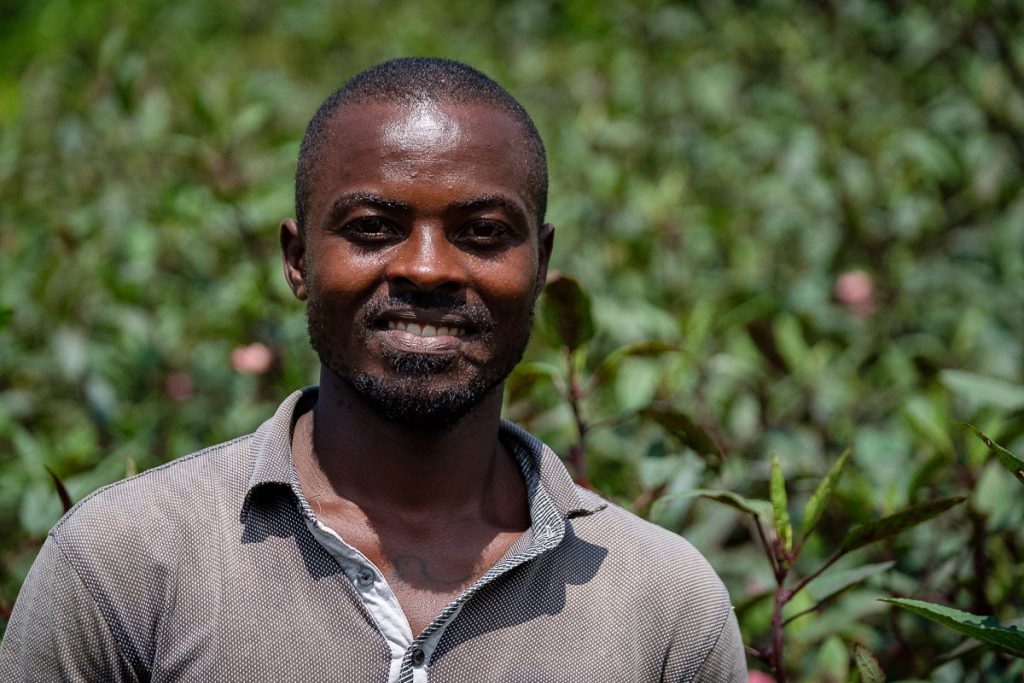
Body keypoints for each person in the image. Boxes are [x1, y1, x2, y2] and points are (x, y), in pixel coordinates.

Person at [0, 58, 746, 682]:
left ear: (541, 264)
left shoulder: (664, 605)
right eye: (373, 229)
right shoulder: (124, 564)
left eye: (483, 232)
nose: (426, 267)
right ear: (298, 261)